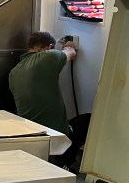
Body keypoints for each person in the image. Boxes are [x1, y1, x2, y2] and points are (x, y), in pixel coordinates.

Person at [9, 31, 87, 170]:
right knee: (89, 121)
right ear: (49, 47)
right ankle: (63, 162)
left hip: (31, 135)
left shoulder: (14, 72)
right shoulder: (48, 57)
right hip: (54, 136)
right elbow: (71, 52)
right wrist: (69, 44)